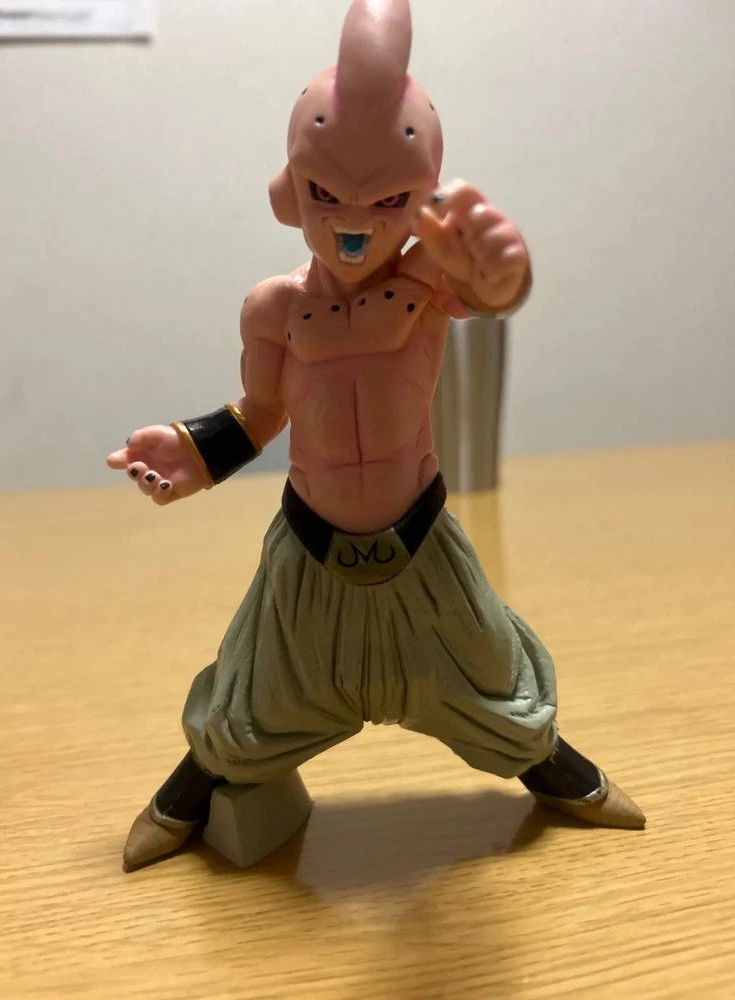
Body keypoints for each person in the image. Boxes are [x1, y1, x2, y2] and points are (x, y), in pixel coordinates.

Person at [108, 0, 644, 872]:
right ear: (290, 191)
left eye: (386, 199)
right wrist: (191, 451)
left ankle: (557, 772)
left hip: (423, 546)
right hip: (309, 554)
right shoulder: (273, 308)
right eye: (326, 194)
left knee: (491, 674)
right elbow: (261, 413)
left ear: (422, 200)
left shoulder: (430, 284)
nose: (353, 221)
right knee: (254, 693)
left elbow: (490, 290)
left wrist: (505, 269)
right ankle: (189, 791)